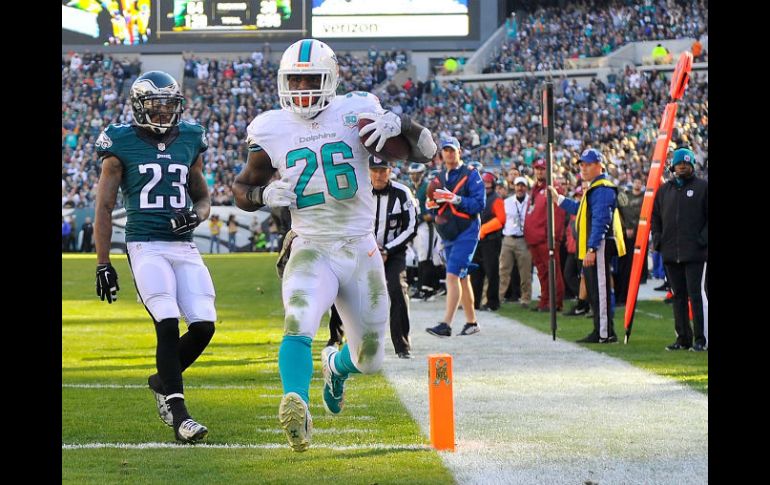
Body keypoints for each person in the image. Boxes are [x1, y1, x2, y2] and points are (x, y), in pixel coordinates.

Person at [231, 38, 437, 452]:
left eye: (310, 78)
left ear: (332, 79)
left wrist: (405, 124)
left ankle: (335, 366)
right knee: (299, 320)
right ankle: (298, 405)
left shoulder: (356, 111)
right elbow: (241, 187)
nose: (302, 86)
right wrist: (262, 197)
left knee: (371, 358)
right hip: (310, 245)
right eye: (294, 79)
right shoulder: (271, 126)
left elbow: (426, 153)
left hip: (360, 249)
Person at [94, 70, 215, 443]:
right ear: (139, 107)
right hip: (145, 243)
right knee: (166, 319)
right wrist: (103, 262)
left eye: (168, 107)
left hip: (184, 245)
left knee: (204, 325)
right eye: (156, 107)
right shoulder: (120, 142)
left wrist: (194, 215)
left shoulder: (191, 138)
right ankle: (180, 415)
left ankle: (162, 380)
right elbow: (104, 205)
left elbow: (204, 199)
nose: (163, 114)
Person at [328, 157, 419, 358]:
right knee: (342, 286)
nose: (379, 174)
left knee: (397, 288)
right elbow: (344, 221)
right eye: (375, 170)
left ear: (390, 170)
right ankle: (335, 337)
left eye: (383, 170)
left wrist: (387, 249)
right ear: (368, 171)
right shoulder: (357, 191)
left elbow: (411, 227)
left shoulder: (402, 193)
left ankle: (402, 346)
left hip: (393, 253)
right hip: (361, 250)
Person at [551, 148, 626, 343]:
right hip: (594, 246)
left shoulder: (601, 188)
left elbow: (602, 219)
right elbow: (580, 209)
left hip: (598, 246)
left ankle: (604, 333)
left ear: (599, 165)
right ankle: (601, 330)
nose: (583, 168)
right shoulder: (594, 188)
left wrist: (592, 248)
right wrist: (559, 199)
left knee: (599, 289)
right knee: (594, 289)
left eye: (588, 164)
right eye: (582, 165)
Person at [425, 136, 486, 337]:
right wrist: (432, 208)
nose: (449, 153)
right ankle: (472, 322)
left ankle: (446, 324)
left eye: (452, 150)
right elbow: (435, 205)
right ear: (441, 153)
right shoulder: (439, 176)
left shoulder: (471, 174)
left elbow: (479, 204)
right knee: (462, 277)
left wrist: (456, 199)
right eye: (446, 150)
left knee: (452, 275)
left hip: (467, 231)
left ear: (459, 151)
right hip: (448, 232)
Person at [652, 148, 708, 351]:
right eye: (679, 163)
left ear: (693, 164)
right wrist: (658, 240)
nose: (682, 166)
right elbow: (655, 218)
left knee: (696, 295)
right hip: (670, 252)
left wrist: (702, 240)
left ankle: (702, 339)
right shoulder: (664, 190)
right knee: (678, 296)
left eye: (686, 162)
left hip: (695, 253)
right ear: (673, 166)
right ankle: (683, 338)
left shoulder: (703, 187)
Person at [525, 159, 566, 312]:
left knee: (553, 271)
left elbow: (558, 214)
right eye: (537, 168)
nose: (539, 171)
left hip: (546, 239)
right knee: (542, 273)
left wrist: (553, 237)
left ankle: (556, 302)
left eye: (542, 168)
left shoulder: (554, 188)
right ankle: (545, 301)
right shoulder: (535, 188)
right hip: (534, 238)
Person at [471, 172, 505, 311]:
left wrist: (484, 229)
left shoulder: (496, 199)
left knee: (491, 272)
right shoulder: (478, 198)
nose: (486, 186)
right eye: (484, 183)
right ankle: (475, 302)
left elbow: (501, 219)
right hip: (478, 240)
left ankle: (492, 302)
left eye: (488, 184)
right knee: (476, 273)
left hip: (491, 240)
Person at [499, 176, 533, 308]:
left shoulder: (530, 201)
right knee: (503, 270)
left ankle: (525, 298)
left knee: (525, 272)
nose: (520, 188)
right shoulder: (507, 202)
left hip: (523, 239)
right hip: (508, 238)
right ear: (514, 186)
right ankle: (499, 297)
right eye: (518, 185)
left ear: (526, 187)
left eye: (522, 185)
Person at [615, 177, 647, 305]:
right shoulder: (625, 196)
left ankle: (625, 295)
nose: (637, 184)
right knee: (625, 265)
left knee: (629, 266)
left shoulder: (644, 197)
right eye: (636, 182)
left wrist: (631, 227)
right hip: (626, 236)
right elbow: (622, 212)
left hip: (637, 235)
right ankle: (623, 295)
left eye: (639, 182)